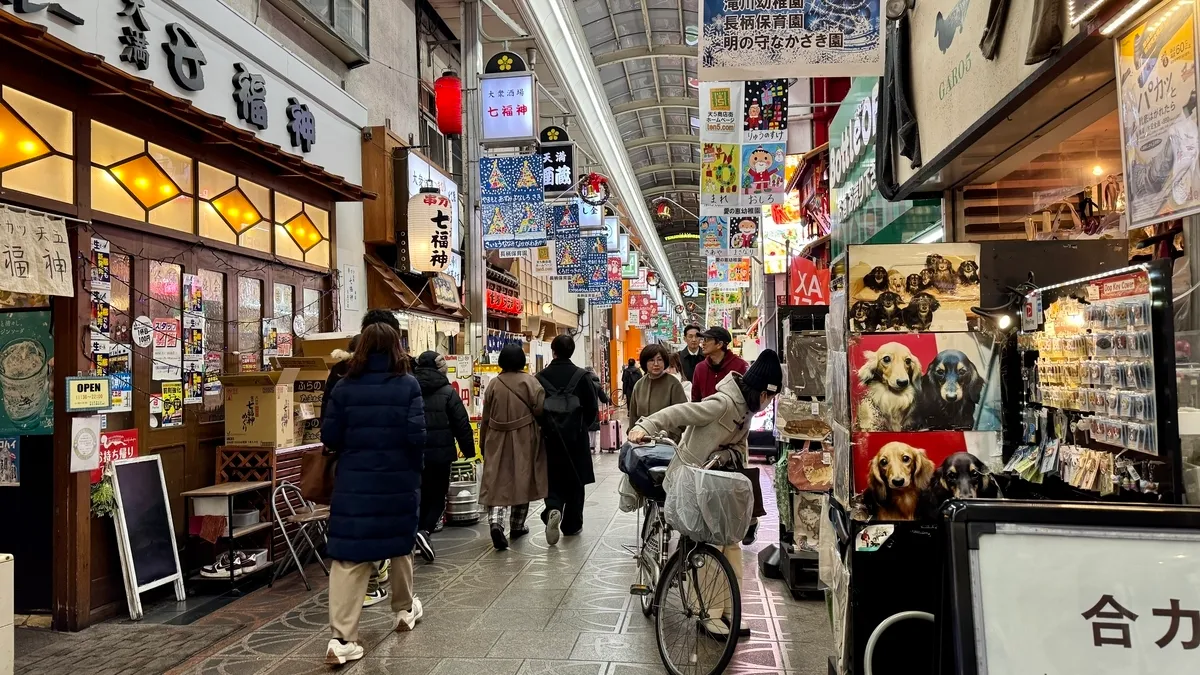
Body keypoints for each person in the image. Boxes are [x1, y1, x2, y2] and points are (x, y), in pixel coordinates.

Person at [626, 349, 783, 639]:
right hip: (692, 480)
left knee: (732, 543)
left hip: (717, 481)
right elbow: (680, 413)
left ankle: (729, 610)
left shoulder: (746, 409)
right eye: (769, 397)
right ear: (762, 393)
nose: (768, 403)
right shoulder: (724, 403)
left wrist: (728, 458)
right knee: (710, 545)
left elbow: (737, 446)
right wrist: (645, 426)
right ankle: (706, 612)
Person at [321, 323, 427, 665]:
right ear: (396, 347)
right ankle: (403, 610)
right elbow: (417, 436)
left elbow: (330, 436)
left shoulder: (344, 386)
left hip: (355, 481)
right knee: (400, 545)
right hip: (397, 480)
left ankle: (341, 639)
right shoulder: (408, 385)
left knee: (348, 556)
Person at [479, 344, 548, 551]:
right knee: (522, 478)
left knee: (497, 480)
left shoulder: (494, 384)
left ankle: (496, 523)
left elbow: (486, 417)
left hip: (497, 437)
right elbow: (540, 410)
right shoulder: (530, 382)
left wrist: (483, 442)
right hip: (524, 437)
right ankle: (517, 525)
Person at [412, 351, 475, 563]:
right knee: (438, 497)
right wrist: (469, 451)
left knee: (418, 494)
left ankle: (417, 532)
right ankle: (425, 532)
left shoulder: (409, 388)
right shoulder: (448, 392)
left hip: (415, 452)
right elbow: (461, 423)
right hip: (440, 455)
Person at [536, 335, 599, 543]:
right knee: (576, 479)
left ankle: (553, 508)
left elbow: (536, 408)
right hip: (576, 438)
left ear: (553, 351)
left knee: (553, 477)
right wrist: (580, 426)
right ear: (572, 351)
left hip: (550, 437)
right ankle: (572, 524)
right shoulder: (582, 376)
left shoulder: (541, 377)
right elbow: (592, 409)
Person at [628, 344, 687, 442]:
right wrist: (633, 434)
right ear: (645, 362)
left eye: (659, 360)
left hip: (666, 442)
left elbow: (682, 416)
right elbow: (633, 417)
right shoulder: (639, 385)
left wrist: (671, 434)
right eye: (651, 360)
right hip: (642, 442)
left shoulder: (673, 384)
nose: (656, 364)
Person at [690, 326, 748, 402]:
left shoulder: (740, 366)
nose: (703, 343)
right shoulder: (700, 368)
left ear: (719, 344)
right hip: (706, 413)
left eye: (707, 340)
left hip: (733, 413)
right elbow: (695, 399)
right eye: (703, 339)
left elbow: (747, 397)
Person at [584, 366, 610, 453]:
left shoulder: (581, 382)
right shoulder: (597, 384)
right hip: (593, 408)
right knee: (593, 427)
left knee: (584, 426)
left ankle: (585, 444)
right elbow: (603, 398)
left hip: (582, 408)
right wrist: (607, 399)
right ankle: (592, 446)